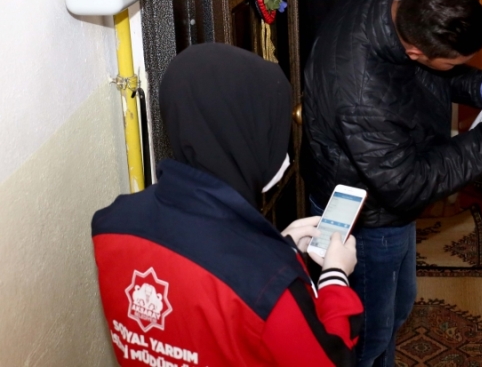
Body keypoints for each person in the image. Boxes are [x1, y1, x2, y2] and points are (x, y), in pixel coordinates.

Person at [303, 0, 482, 367]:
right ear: (413, 50)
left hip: (385, 189)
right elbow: (408, 184)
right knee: (368, 331)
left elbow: (431, 70)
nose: (458, 68)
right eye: (455, 64)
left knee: (400, 304)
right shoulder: (362, 94)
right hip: (368, 214)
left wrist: (478, 88)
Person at [92, 43, 364, 366]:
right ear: (243, 132)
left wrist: (281, 248)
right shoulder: (266, 282)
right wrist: (335, 275)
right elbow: (331, 359)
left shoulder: (111, 224)